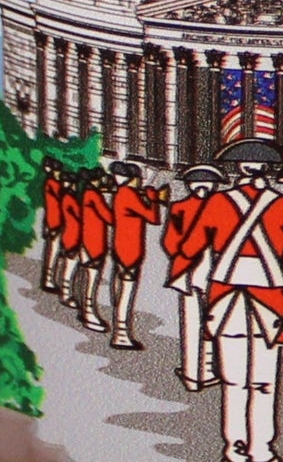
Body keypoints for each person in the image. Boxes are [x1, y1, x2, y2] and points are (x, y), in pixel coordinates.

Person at [176, 139, 283, 462]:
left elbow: (190, 247)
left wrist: (182, 272)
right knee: (263, 383)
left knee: (233, 381)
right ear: (268, 170)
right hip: (269, 301)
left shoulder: (217, 202)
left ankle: (234, 453)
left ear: (237, 169)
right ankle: (261, 455)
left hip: (227, 300)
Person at [163, 164, 222, 391]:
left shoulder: (179, 207)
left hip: (188, 270)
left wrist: (184, 253)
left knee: (192, 322)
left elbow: (170, 243)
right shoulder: (218, 208)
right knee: (211, 321)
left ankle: (193, 373)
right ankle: (205, 371)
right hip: (210, 270)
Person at [106, 161, 163, 351]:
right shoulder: (129, 195)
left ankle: (119, 329)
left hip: (120, 247)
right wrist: (153, 199)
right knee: (126, 291)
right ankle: (121, 333)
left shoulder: (120, 194)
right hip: (130, 250)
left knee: (120, 289)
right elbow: (153, 218)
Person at [76, 169, 114, 335]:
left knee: (86, 278)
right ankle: (89, 314)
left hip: (87, 242)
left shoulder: (86, 194)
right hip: (94, 244)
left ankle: (85, 310)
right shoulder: (94, 196)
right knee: (91, 281)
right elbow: (109, 218)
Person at [57, 161, 87, 306]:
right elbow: (79, 216)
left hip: (71, 234)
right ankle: (65, 293)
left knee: (71, 264)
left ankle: (67, 292)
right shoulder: (69, 199)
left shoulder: (67, 197)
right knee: (70, 265)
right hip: (72, 235)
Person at [40, 163, 67, 294]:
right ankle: (48, 279)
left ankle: (49, 278)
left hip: (54, 222)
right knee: (53, 251)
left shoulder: (51, 183)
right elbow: (54, 206)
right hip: (54, 222)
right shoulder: (53, 184)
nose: (59, 173)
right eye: (57, 171)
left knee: (53, 251)